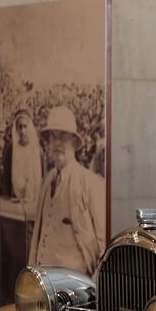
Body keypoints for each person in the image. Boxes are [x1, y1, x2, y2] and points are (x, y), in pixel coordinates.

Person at [29, 106, 105, 273]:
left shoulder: (90, 182)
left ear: (73, 142)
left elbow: (103, 242)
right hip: (45, 280)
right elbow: (39, 234)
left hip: (74, 286)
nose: (57, 143)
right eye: (52, 137)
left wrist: (97, 285)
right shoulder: (47, 180)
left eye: (63, 136)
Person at [6, 107, 42, 209]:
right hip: (14, 203)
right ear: (16, 129)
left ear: (29, 127)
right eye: (20, 127)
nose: (22, 130)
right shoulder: (10, 149)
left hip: (33, 201)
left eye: (25, 126)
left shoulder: (37, 151)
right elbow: (6, 178)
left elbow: (41, 177)